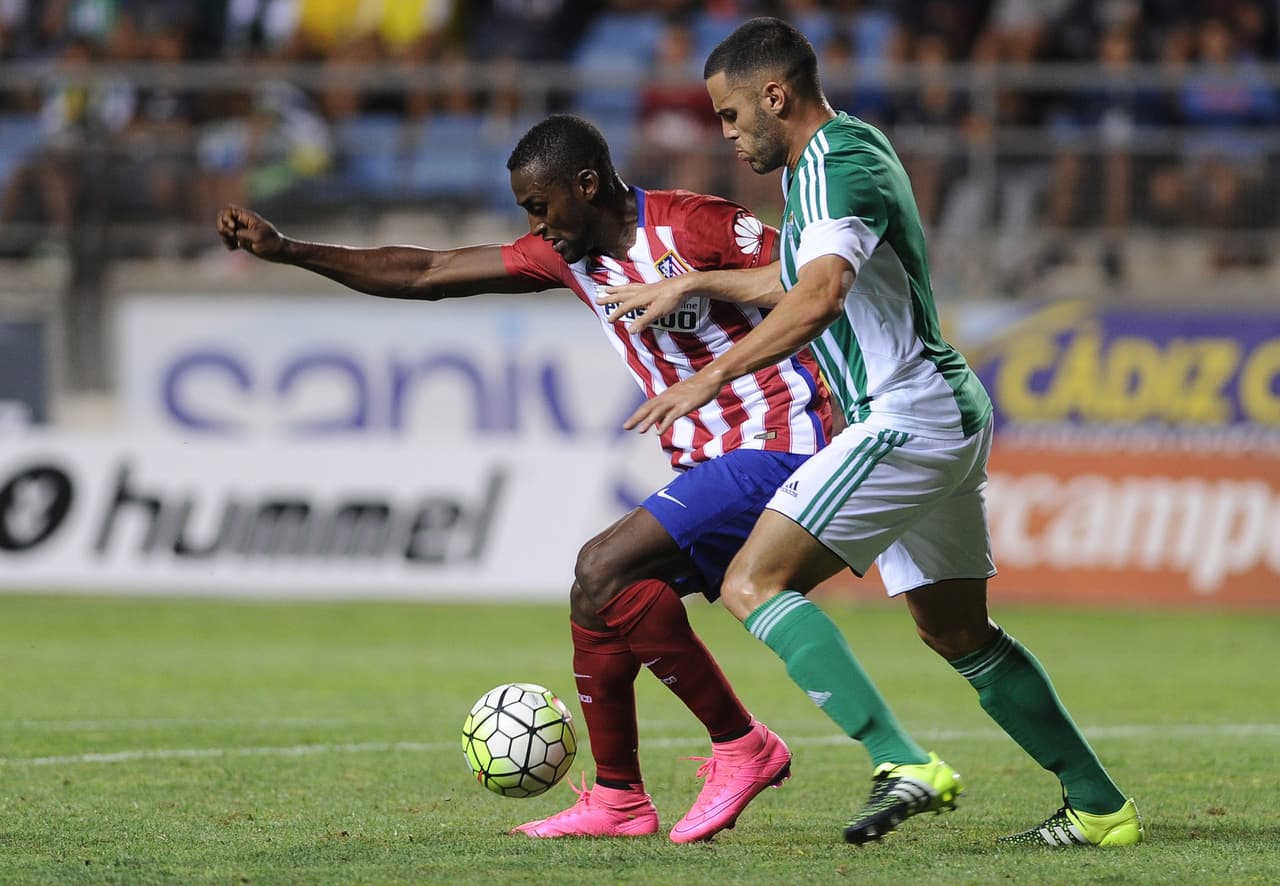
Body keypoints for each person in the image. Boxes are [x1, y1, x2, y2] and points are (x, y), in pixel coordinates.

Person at [216, 113, 833, 843]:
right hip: (710, 457)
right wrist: (289, 251)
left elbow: (809, 278)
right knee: (603, 596)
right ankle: (618, 799)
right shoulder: (565, 257)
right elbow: (427, 273)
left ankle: (743, 746)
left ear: (587, 184)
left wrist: (701, 281)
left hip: (786, 439)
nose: (535, 224)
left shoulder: (694, 226)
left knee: (601, 563)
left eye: (540, 207)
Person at [602, 17, 1144, 848]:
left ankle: (901, 761)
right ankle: (1100, 807)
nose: (727, 133)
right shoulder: (849, 149)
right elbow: (798, 275)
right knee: (957, 631)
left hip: (904, 415)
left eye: (731, 116)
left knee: (753, 581)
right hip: (942, 409)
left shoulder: (829, 171)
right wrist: (699, 281)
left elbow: (816, 297)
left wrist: (709, 375)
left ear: (774, 95)